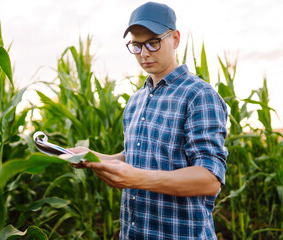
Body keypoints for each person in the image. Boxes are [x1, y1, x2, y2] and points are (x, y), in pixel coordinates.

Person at [70, 2, 228, 239]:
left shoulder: (198, 95)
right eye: (136, 45)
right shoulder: (136, 100)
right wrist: (91, 157)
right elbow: (136, 156)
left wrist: (137, 178)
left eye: (153, 42)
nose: (144, 54)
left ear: (175, 39)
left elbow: (209, 179)